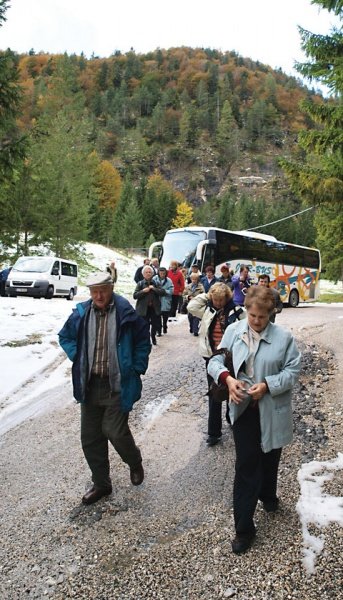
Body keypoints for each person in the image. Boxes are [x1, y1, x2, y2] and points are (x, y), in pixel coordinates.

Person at [208, 286, 301, 554]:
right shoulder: (234, 331)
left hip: (272, 408)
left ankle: (268, 495)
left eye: (262, 317)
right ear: (246, 310)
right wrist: (228, 378)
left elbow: (293, 370)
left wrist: (268, 385)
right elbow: (215, 362)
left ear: (271, 314)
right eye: (252, 316)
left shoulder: (284, 338)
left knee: (270, 456)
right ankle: (244, 529)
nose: (256, 321)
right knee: (247, 465)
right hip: (243, 409)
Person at [58, 272, 151, 506]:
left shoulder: (125, 312)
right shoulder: (82, 313)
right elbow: (65, 337)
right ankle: (101, 483)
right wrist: (77, 356)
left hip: (118, 384)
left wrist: (136, 367)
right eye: (94, 291)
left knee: (115, 431)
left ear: (111, 288)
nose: (98, 295)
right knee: (90, 437)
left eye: (103, 290)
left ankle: (134, 461)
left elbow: (142, 341)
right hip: (90, 385)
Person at [187, 282, 246, 446]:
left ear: (227, 298)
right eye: (215, 299)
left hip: (231, 357)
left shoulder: (236, 311)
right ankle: (214, 433)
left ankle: (231, 417)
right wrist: (208, 294)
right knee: (214, 392)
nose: (218, 303)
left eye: (221, 300)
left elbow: (248, 323)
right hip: (211, 357)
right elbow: (191, 306)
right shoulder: (207, 309)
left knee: (232, 389)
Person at [133, 265, 166, 345]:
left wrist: (154, 288)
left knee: (155, 324)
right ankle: (146, 339)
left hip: (154, 308)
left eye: (150, 272)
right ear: (143, 274)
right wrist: (143, 291)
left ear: (153, 274)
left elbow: (162, 292)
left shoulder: (156, 283)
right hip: (144, 309)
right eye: (146, 272)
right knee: (145, 325)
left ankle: (153, 337)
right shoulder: (140, 283)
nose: (148, 274)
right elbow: (135, 295)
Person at [153, 266, 174, 335]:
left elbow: (171, 291)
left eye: (163, 273)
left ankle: (165, 325)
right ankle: (159, 330)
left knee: (165, 316)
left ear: (165, 273)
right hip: (157, 300)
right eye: (160, 273)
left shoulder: (169, 280)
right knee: (157, 316)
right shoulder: (154, 279)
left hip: (165, 300)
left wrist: (164, 291)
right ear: (158, 273)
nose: (162, 274)